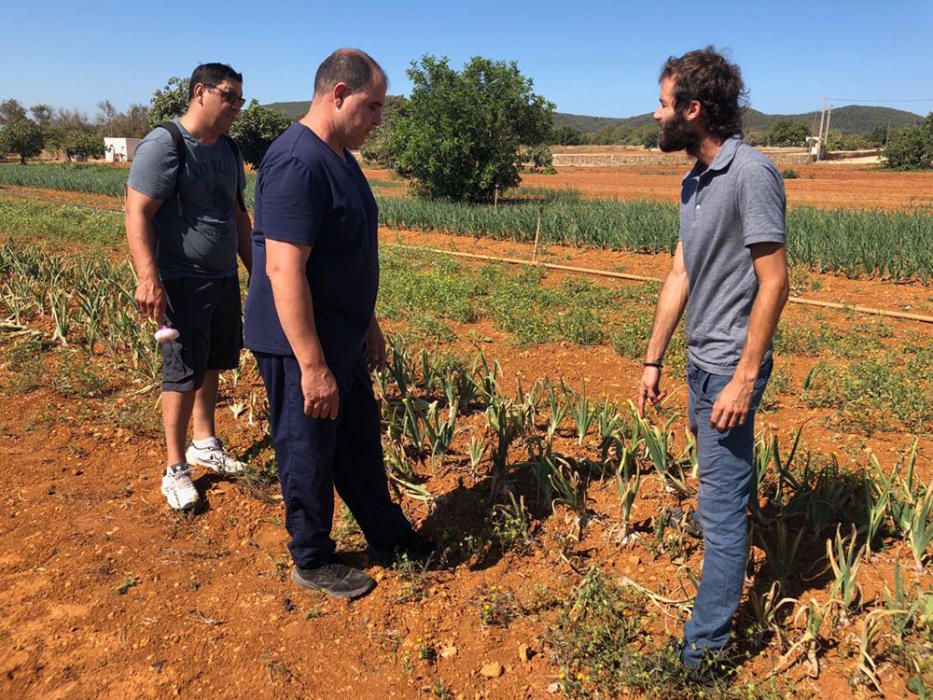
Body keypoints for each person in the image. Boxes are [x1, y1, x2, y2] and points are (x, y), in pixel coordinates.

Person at [244, 49, 433, 600]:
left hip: (342, 336)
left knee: (357, 440)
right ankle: (311, 556)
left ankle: (388, 536)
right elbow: (283, 269)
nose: (378, 120)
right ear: (338, 95)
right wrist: (312, 365)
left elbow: (341, 252)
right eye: (373, 107)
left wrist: (367, 321)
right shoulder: (297, 161)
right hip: (298, 344)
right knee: (307, 449)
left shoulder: (340, 157)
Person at [636, 47, 789, 676]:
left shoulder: (752, 173)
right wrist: (653, 361)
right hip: (700, 362)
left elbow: (775, 280)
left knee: (722, 513)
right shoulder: (694, 180)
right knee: (717, 489)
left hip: (730, 368)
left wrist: (744, 379)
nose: (655, 113)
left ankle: (703, 655)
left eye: (665, 102)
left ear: (692, 110)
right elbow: (681, 270)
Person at [126, 63, 252, 511]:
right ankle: (175, 467)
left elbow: (238, 216)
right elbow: (138, 212)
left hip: (221, 277)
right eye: (229, 97)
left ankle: (204, 440)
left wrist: (255, 271)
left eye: (241, 99)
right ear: (200, 92)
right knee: (181, 373)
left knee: (213, 361)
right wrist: (148, 276)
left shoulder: (231, 150)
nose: (237, 107)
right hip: (180, 278)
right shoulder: (167, 144)